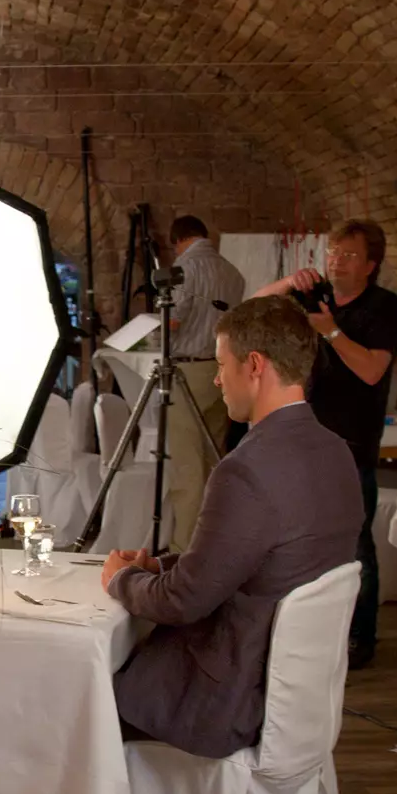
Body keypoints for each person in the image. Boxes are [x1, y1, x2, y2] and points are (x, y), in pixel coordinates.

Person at [100, 296, 363, 759]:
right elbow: (261, 557)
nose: (218, 378)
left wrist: (121, 580)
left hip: (230, 701)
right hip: (299, 696)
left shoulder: (245, 470)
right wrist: (160, 564)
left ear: (254, 366)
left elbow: (181, 601)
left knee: (83, 700)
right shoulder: (338, 452)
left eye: (222, 364)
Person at [253, 220, 397, 670]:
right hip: (303, 438)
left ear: (371, 265)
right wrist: (286, 283)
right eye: (333, 252)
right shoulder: (312, 295)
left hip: (353, 442)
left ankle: (360, 639)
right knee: (296, 535)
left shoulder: (384, 307)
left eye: (349, 255)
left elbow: (373, 370)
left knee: (355, 544)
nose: (337, 261)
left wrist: (330, 331)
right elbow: (249, 312)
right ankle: (303, 629)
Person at [163, 214, 247, 554]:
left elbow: (175, 318)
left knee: (186, 464)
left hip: (187, 372)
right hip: (224, 369)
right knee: (214, 458)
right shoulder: (232, 272)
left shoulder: (185, 269)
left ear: (178, 240)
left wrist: (156, 324)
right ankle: (215, 543)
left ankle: (184, 550)